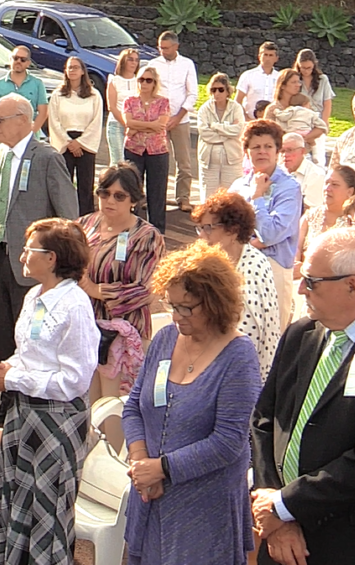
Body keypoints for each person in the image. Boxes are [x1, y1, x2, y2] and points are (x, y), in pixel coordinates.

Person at [251, 228, 355, 564]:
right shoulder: (302, 333)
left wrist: (286, 505)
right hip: (280, 538)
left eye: (311, 281)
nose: (299, 288)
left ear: (352, 285)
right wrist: (274, 510)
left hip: (348, 543)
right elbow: (265, 420)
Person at [122, 241, 260, 565]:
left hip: (205, 511)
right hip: (149, 499)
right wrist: (141, 462)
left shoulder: (239, 357)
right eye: (172, 305)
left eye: (187, 307)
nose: (177, 316)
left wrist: (162, 470)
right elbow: (132, 408)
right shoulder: (165, 339)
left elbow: (228, 442)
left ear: (214, 303)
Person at [0, 218, 98, 565]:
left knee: (47, 507)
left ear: (53, 258)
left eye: (29, 250)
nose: (21, 257)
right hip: (24, 414)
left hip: (56, 423)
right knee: (18, 499)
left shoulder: (75, 305)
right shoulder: (35, 295)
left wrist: (12, 381)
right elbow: (32, 353)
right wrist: (6, 369)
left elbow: (73, 381)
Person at [0, 93, 78, 426]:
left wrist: (59, 265)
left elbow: (67, 215)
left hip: (32, 264)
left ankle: (27, 400)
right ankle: (7, 400)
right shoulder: (3, 155)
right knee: (3, 330)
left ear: (24, 119)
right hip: (0, 254)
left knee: (30, 337)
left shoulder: (47, 157)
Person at [77, 163, 165, 388]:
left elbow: (147, 289)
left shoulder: (148, 237)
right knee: (87, 405)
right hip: (85, 328)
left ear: (134, 200)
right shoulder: (83, 226)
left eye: (119, 196)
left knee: (114, 411)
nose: (110, 201)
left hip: (125, 333)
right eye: (104, 193)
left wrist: (98, 291)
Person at [191, 190, 281, 382]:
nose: (202, 237)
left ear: (232, 230)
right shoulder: (220, 261)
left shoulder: (252, 268)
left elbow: (246, 336)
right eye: (199, 229)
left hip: (241, 376)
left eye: (208, 228)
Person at [229, 120, 302, 332]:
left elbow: (270, 234)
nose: (262, 152)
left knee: (271, 338)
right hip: (237, 266)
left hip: (274, 268)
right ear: (247, 151)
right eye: (256, 147)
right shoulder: (238, 186)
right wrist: (252, 242)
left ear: (278, 150)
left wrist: (257, 197)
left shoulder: (289, 187)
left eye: (268, 146)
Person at [149, 30, 198, 213]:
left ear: (176, 46)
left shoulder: (187, 64)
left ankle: (183, 197)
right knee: (157, 161)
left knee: (183, 160)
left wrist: (178, 117)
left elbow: (192, 92)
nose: (163, 51)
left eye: (167, 48)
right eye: (160, 48)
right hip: (157, 121)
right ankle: (157, 196)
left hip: (181, 119)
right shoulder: (153, 64)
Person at [49, 56, 103, 215]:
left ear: (82, 71)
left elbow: (96, 121)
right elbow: (54, 120)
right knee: (63, 184)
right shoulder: (58, 95)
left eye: (75, 67)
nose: (72, 70)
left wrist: (80, 143)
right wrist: (68, 142)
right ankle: (63, 216)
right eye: (69, 67)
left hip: (86, 143)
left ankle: (85, 218)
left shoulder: (94, 95)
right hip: (64, 144)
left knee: (85, 185)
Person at [123, 67, 171, 234]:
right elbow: (129, 123)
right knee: (132, 189)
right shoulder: (129, 101)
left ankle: (157, 233)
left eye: (148, 80)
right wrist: (150, 125)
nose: (144, 83)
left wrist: (137, 126)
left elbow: (161, 125)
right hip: (133, 149)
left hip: (157, 151)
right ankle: (130, 230)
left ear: (155, 83)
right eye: (141, 79)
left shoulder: (163, 102)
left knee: (157, 192)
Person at [295, 166, 355, 278]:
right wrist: (296, 264)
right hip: (301, 276)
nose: (327, 188)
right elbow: (296, 246)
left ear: (349, 191)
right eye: (326, 183)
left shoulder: (354, 222)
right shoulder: (310, 216)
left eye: (335, 185)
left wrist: (306, 269)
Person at [197, 72, 245, 199]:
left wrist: (216, 126)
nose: (216, 93)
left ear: (228, 91)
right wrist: (228, 130)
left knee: (232, 197)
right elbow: (205, 133)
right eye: (213, 90)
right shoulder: (204, 109)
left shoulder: (236, 108)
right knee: (209, 198)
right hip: (209, 160)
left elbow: (239, 130)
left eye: (220, 90)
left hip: (232, 159)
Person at [0, 46, 48, 135]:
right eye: (15, 58)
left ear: (28, 63)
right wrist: (0, 130)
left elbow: (43, 112)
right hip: (4, 137)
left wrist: (32, 132)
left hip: (29, 137)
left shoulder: (37, 84)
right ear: (10, 59)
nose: (18, 61)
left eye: (23, 59)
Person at [295, 48, 336, 166]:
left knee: (319, 155)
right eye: (303, 68)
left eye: (308, 68)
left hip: (317, 119)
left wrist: (324, 121)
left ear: (314, 65)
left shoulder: (322, 79)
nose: (305, 71)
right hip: (300, 120)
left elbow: (327, 102)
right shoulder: (295, 79)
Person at [106, 48, 141, 165]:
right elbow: (112, 106)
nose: (133, 63)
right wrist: (126, 124)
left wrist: (133, 125)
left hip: (136, 126)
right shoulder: (114, 81)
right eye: (130, 59)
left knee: (132, 163)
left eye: (136, 60)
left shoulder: (140, 81)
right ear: (123, 61)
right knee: (118, 161)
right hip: (116, 124)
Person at [236, 41, 280, 121]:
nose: (267, 58)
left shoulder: (280, 77)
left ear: (276, 58)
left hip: (273, 122)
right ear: (259, 56)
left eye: (271, 55)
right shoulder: (248, 75)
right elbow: (237, 101)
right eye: (265, 55)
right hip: (250, 121)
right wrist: (246, 119)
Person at [281, 132, 325, 210]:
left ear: (302, 151)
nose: (285, 155)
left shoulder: (317, 175)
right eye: (282, 151)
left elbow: (311, 210)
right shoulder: (278, 170)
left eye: (289, 150)